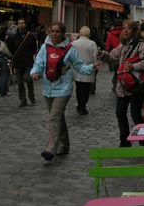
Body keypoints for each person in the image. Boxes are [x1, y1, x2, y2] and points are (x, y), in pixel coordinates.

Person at [31, 20, 99, 161]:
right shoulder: (45, 47)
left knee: (54, 117)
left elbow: (79, 66)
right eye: (52, 31)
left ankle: (50, 149)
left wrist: (91, 67)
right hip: (47, 87)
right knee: (58, 117)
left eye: (57, 31)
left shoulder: (70, 49)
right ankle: (65, 144)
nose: (54, 34)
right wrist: (34, 72)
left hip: (64, 88)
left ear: (63, 33)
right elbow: (38, 63)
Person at [99, 20, 144, 147]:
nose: (125, 31)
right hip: (123, 85)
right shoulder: (122, 46)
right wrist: (103, 55)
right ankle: (124, 140)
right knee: (120, 112)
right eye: (124, 28)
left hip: (136, 85)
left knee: (135, 113)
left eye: (128, 29)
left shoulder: (141, 45)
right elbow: (113, 58)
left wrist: (134, 66)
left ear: (134, 31)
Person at [7, 17, 37, 107]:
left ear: (25, 24)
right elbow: (11, 49)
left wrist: (29, 55)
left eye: (23, 23)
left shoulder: (31, 36)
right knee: (20, 82)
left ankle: (32, 97)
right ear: (17, 25)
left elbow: (34, 49)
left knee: (28, 78)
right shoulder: (13, 37)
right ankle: (23, 100)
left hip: (28, 62)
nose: (21, 25)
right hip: (18, 63)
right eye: (19, 23)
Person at [71, 26, 98, 115]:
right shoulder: (92, 43)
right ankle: (83, 105)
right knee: (86, 89)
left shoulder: (74, 43)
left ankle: (80, 105)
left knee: (79, 88)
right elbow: (95, 56)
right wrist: (95, 66)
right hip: (88, 67)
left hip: (77, 68)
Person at [105, 19, 123, 92]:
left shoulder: (110, 34)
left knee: (116, 71)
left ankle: (115, 85)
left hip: (114, 55)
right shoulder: (125, 33)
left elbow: (107, 45)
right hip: (124, 54)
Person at [0, 25, 11, 96]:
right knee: (5, 74)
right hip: (4, 57)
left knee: (3, 73)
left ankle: (1, 88)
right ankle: (2, 89)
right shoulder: (6, 39)